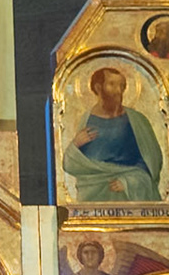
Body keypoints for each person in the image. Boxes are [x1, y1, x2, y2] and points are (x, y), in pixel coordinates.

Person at [63, 67, 162, 201]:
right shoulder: (86, 120)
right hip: (93, 194)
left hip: (130, 195)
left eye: (122, 86)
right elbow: (72, 165)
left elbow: (151, 163)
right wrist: (75, 144)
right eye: (112, 84)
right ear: (98, 88)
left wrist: (128, 182)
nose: (118, 91)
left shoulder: (137, 121)